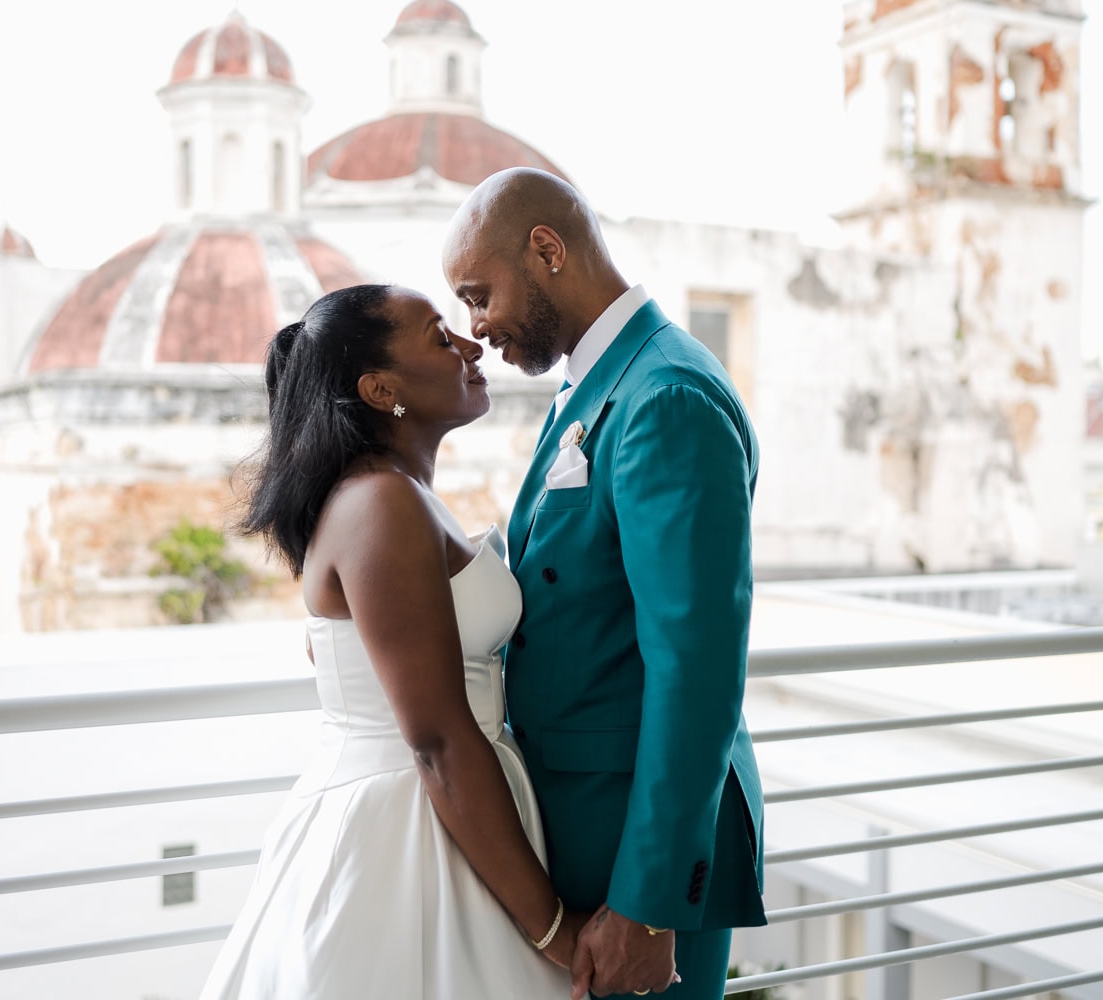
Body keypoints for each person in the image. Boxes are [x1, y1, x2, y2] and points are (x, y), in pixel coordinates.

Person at [198, 283, 582, 999]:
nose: (471, 344)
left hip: (442, 809)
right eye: (440, 337)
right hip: (409, 831)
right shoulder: (381, 502)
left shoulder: (389, 495)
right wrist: (556, 930)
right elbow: (436, 740)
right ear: (381, 390)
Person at [442, 167, 767, 1000]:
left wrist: (649, 906)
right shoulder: (596, 384)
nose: (476, 329)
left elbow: (695, 668)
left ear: (546, 249)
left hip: (636, 848)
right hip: (584, 826)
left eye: (480, 296)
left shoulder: (666, 397)